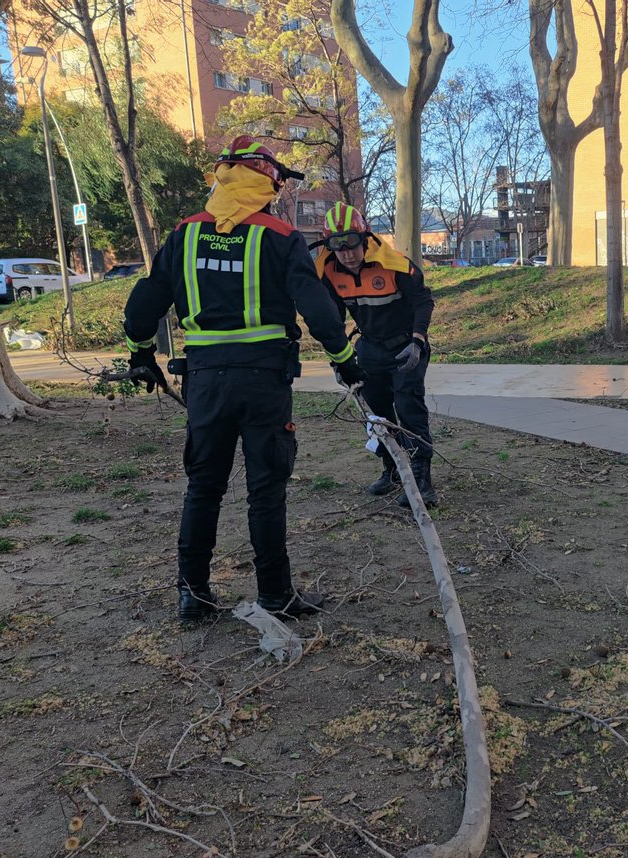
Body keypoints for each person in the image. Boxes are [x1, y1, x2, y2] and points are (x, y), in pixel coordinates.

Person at [123, 136, 365, 624]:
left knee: (203, 487)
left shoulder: (186, 235)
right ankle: (275, 594)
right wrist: (344, 358)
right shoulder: (278, 235)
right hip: (263, 383)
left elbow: (147, 299)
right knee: (266, 490)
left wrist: (141, 353)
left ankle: (192, 594)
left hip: (206, 382)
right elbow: (316, 306)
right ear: (267, 183)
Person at [313, 201, 437, 507]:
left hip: (406, 346)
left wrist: (418, 341)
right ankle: (392, 468)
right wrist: (339, 358)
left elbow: (423, 301)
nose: (347, 253)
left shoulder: (395, 265)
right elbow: (333, 319)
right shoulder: (330, 274)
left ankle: (422, 479)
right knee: (377, 414)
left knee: (409, 408)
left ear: (366, 238)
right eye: (337, 246)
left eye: (352, 244)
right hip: (370, 347)